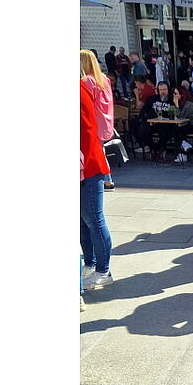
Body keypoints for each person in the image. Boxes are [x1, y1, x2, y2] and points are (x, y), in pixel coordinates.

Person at [80, 79, 114, 290]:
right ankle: (91, 264)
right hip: (86, 162)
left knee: (93, 219)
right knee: (83, 221)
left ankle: (103, 270)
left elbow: (86, 130)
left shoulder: (82, 88)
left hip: (88, 164)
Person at [80, 49, 117, 191]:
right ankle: (107, 180)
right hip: (105, 119)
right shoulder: (104, 79)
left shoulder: (87, 81)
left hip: (93, 121)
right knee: (100, 151)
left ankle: (107, 180)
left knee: (98, 152)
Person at [171, 85, 193, 164]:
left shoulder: (188, 104)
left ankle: (183, 152)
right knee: (177, 129)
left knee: (181, 130)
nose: (174, 95)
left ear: (182, 94)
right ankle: (183, 149)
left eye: (175, 93)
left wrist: (176, 105)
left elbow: (181, 117)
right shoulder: (182, 103)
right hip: (188, 124)